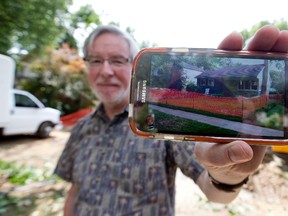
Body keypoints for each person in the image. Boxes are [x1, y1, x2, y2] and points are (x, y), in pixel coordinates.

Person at [54, 24, 288, 216]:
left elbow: (213, 193)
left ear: (133, 62)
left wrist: (228, 178)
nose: (105, 71)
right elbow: (74, 189)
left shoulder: (157, 127)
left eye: (117, 60)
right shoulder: (81, 128)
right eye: (95, 60)